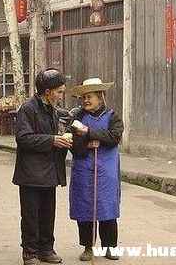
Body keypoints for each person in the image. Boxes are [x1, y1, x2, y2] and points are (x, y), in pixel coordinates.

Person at [13, 68, 72, 265]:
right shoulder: (28, 109)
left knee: (48, 214)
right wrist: (52, 140)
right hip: (31, 173)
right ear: (48, 92)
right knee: (31, 215)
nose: (61, 96)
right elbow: (23, 138)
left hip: (49, 171)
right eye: (59, 92)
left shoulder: (53, 110)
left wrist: (64, 138)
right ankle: (30, 252)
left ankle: (46, 249)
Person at [68, 78, 123, 262]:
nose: (86, 100)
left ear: (100, 97)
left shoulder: (112, 116)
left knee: (107, 208)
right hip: (83, 168)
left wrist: (89, 133)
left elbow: (114, 136)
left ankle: (110, 247)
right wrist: (86, 142)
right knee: (85, 208)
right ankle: (88, 247)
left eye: (89, 97)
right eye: (84, 97)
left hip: (106, 170)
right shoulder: (77, 117)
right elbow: (72, 141)